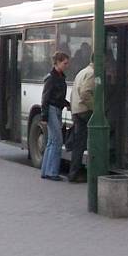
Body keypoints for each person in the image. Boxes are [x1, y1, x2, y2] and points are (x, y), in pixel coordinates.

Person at [39, 52, 71, 180]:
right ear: (57, 62)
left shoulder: (59, 76)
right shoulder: (52, 78)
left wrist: (67, 104)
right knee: (57, 140)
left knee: (52, 141)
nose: (66, 65)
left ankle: (46, 171)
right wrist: (44, 117)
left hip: (56, 108)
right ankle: (52, 172)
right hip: (52, 110)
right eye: (65, 63)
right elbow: (45, 98)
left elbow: (57, 96)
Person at [67, 57, 94, 182]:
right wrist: (97, 109)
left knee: (79, 144)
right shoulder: (92, 73)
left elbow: (74, 93)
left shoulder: (82, 71)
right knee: (89, 141)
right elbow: (85, 93)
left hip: (77, 111)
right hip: (85, 111)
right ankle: (77, 173)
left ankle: (74, 172)